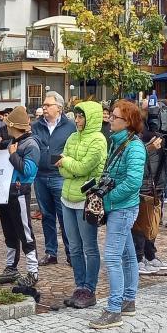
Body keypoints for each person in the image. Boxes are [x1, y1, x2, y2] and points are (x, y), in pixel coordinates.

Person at [88, 99, 146, 330]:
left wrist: (107, 199)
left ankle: (114, 309)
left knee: (112, 257)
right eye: (111, 116)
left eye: (115, 117)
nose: (110, 119)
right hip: (118, 206)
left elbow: (133, 182)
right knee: (127, 255)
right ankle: (128, 300)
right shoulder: (118, 142)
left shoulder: (134, 146)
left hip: (122, 208)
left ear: (128, 122)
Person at [56, 100, 106, 309]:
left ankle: (89, 289)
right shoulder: (72, 137)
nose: (77, 121)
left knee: (89, 247)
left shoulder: (99, 139)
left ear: (91, 118)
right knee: (74, 247)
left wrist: (67, 164)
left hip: (86, 200)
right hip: (67, 198)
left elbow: (86, 167)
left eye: (81, 117)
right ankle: (79, 286)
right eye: (76, 117)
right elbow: (62, 169)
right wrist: (70, 167)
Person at [0, 106, 42, 288]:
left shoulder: (31, 145)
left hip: (19, 192)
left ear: (14, 126)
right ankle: (11, 267)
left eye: (8, 124)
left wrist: (12, 155)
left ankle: (32, 271)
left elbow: (28, 171)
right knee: (9, 232)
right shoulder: (15, 140)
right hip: (5, 193)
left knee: (24, 231)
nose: (6, 127)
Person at [32, 90, 77, 266]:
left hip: (60, 176)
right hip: (40, 176)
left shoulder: (70, 126)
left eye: (47, 105)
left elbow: (73, 149)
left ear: (59, 107)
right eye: (43, 105)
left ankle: (71, 253)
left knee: (64, 217)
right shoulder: (36, 126)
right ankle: (51, 253)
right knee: (46, 216)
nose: (44, 107)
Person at [133, 130, 167, 275]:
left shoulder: (163, 133)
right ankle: (138, 257)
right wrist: (149, 148)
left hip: (157, 183)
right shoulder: (137, 138)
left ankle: (149, 254)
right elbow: (136, 159)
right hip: (143, 185)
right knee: (140, 223)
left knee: (153, 222)